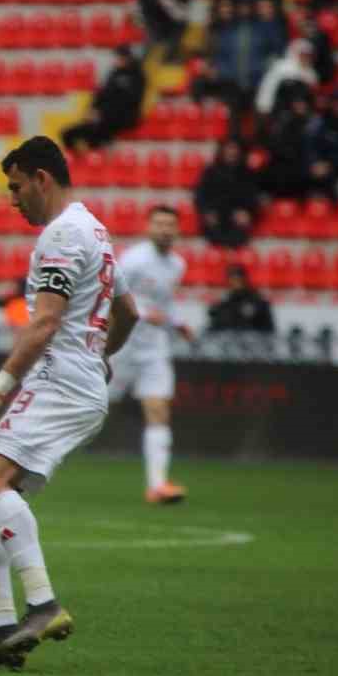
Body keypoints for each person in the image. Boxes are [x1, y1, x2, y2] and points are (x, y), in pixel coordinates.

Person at [0, 136, 139, 668]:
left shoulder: (61, 236)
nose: (13, 200)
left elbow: (45, 323)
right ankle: (2, 634)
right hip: (80, 381)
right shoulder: (96, 231)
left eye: (16, 187)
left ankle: (44, 604)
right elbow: (128, 312)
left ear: (41, 178)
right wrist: (103, 356)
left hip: (58, 381)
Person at [110, 206, 193, 505]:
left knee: (158, 409)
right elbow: (111, 296)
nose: (164, 229)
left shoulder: (177, 265)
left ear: (178, 230)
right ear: (148, 227)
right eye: (158, 223)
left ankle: (157, 486)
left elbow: (165, 303)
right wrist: (145, 314)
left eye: (170, 224)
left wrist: (178, 323)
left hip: (155, 347)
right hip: (123, 345)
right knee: (90, 411)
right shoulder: (133, 260)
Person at [60, 45, 147, 151]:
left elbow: (130, 101)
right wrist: (93, 109)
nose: (118, 60)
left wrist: (102, 112)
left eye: (121, 57)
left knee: (96, 135)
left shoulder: (137, 75)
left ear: (128, 58)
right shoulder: (113, 73)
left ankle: (95, 155)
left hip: (121, 117)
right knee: (67, 134)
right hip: (102, 117)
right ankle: (82, 158)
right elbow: (101, 94)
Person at [194, 139, 261, 248]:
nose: (232, 152)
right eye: (229, 148)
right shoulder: (210, 172)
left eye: (234, 149)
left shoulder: (248, 174)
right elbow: (200, 196)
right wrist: (206, 213)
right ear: (222, 151)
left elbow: (255, 198)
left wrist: (248, 213)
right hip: (215, 221)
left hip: (238, 224)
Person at [255, 40, 317, 118]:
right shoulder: (281, 68)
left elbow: (312, 93)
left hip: (301, 113)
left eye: (308, 56)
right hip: (279, 110)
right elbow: (268, 87)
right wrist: (264, 105)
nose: (306, 58)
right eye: (303, 55)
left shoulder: (311, 73)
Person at [206, 265, 275, 334]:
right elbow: (214, 326)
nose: (235, 282)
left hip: (252, 339)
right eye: (232, 279)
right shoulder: (224, 303)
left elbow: (268, 327)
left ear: (244, 279)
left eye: (238, 279)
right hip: (229, 339)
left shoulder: (256, 300)